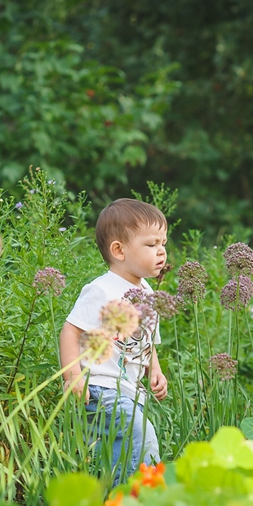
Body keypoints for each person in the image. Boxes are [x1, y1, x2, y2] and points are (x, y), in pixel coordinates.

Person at [59, 198, 169, 486]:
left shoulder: (145, 290)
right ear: (118, 250)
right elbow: (70, 331)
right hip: (101, 388)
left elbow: (147, 340)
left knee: (126, 451)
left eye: (163, 243)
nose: (161, 251)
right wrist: (72, 376)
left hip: (130, 392)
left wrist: (154, 370)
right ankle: (136, 501)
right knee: (141, 442)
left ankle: (120, 501)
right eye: (151, 244)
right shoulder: (101, 289)